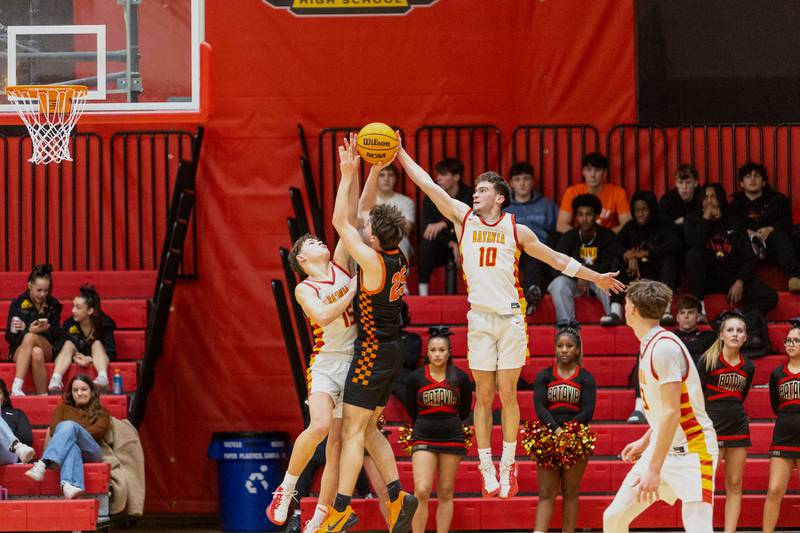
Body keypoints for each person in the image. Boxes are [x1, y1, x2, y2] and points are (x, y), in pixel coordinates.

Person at [397, 134, 623, 499]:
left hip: (511, 318)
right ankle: (486, 465)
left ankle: (508, 463)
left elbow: (556, 259)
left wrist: (595, 276)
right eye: (476, 189)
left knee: (507, 393)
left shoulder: (517, 228)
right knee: (484, 396)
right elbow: (427, 185)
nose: (475, 193)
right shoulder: (463, 217)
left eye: (482, 190)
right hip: (480, 320)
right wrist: (402, 154)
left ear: (499, 197)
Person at [267, 153, 383, 530]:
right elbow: (322, 316)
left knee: (337, 446)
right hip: (326, 362)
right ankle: (286, 488)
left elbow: (352, 216)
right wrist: (352, 289)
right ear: (302, 257)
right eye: (314, 240)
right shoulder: (305, 287)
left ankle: (319, 518)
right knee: (317, 428)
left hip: (355, 359)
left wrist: (359, 173)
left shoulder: (338, 262)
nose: (322, 241)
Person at [318, 135, 417, 533]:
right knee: (372, 428)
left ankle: (340, 508)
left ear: (374, 239)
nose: (365, 227)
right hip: (391, 352)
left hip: (372, 353)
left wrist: (346, 174)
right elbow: (363, 213)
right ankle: (397, 496)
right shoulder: (398, 255)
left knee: (355, 431)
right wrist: (374, 166)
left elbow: (342, 222)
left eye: (369, 229)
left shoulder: (373, 263)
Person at [603, 280, 718, 533]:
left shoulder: (664, 348)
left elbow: (672, 412)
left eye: (626, 303)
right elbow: (665, 410)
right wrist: (646, 439)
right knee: (614, 518)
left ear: (631, 310)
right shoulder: (650, 342)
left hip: (693, 449)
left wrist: (653, 469)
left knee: (698, 527)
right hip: (662, 445)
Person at [684, 183, 778, 347]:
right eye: (705, 197)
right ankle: (699, 309)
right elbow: (695, 245)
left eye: (713, 196)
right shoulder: (692, 219)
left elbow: (750, 258)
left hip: (732, 276)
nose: (709, 201)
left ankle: (735, 318)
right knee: (693, 255)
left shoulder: (735, 222)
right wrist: (706, 218)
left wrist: (740, 281)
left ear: (721, 200)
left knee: (770, 297)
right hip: (708, 276)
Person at [405, 330, 471, 533]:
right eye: (433, 350)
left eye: (441, 350)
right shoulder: (416, 377)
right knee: (422, 490)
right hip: (423, 435)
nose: (437, 354)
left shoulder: (460, 377)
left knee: (445, 491)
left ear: (449, 352)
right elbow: (411, 409)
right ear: (427, 352)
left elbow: (465, 409)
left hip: (452, 437)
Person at [533, 327, 596, 533]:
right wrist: (556, 430)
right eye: (560, 346)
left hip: (575, 437)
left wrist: (568, 432)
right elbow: (540, 407)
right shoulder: (544, 376)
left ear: (577, 349)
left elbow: (588, 410)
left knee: (570, 491)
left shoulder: (585, 377)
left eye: (569, 346)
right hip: (548, 436)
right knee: (546, 492)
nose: (564, 350)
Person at [696, 311, 754, 533]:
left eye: (740, 331)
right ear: (721, 335)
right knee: (706, 486)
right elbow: (697, 396)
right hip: (711, 429)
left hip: (738, 428)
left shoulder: (748, 366)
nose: (735, 334)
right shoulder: (707, 361)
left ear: (745, 337)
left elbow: (741, 397)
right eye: (730, 330)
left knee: (735, 484)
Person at [626, 294, 717, 424]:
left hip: (694, 380)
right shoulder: (669, 335)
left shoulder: (708, 336)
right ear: (677, 317)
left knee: (700, 360)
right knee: (644, 354)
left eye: (690, 313)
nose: (686, 316)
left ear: (698, 316)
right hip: (667, 377)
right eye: (682, 313)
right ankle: (639, 408)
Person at [25, 375, 107, 499]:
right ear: (71, 393)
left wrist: (73, 430)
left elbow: (98, 431)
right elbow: (54, 430)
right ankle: (68, 486)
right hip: (69, 450)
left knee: (69, 426)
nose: (79, 393)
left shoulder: (101, 411)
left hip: (91, 450)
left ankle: (44, 462)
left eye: (84, 389)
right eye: (75, 390)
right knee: (73, 446)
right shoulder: (62, 409)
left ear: (92, 391)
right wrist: (70, 436)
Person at [549, 194, 625, 327]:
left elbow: (612, 265)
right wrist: (578, 274)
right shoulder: (569, 237)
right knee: (558, 284)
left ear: (596, 216)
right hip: (574, 281)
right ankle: (566, 324)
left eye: (588, 214)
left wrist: (586, 274)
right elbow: (556, 265)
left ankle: (613, 319)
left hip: (598, 280)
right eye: (580, 214)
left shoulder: (607, 236)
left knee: (608, 282)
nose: (584, 219)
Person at [728, 162, 800, 293]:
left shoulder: (777, 200)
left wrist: (771, 228)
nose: (753, 179)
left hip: (773, 246)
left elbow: (788, 222)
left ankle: (793, 277)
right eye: (748, 177)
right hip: (746, 248)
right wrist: (745, 231)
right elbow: (727, 226)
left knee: (782, 233)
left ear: (764, 182)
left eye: (757, 176)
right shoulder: (734, 205)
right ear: (742, 183)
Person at [503, 161, 558, 312]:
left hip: (540, 252)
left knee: (534, 250)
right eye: (517, 179)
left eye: (526, 179)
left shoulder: (547, 205)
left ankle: (532, 294)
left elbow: (558, 232)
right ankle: (529, 295)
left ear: (533, 181)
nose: (522, 183)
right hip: (511, 251)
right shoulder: (504, 208)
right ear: (511, 183)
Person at [762, 320, 800, 533]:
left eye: (796, 340)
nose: (791, 344)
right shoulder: (777, 374)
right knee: (774, 489)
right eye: (788, 340)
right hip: (783, 436)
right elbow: (776, 406)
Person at [417, 157, 472, 296]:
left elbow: (471, 222)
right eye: (438, 174)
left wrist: (444, 224)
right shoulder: (431, 196)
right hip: (442, 245)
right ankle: (423, 293)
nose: (438, 178)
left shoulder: (469, 195)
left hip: (466, 244)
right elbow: (428, 229)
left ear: (456, 177)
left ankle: (476, 294)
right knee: (426, 242)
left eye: (443, 174)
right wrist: (451, 243)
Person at [5, 264, 63, 396]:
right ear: (30, 285)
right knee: (35, 352)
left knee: (32, 339)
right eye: (39, 290)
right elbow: (9, 337)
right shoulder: (18, 303)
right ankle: (43, 396)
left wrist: (43, 330)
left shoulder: (53, 305)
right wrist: (28, 330)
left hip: (47, 347)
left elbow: (57, 335)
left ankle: (17, 386)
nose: (43, 294)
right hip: (19, 350)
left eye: (46, 290)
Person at [48, 285, 117, 393]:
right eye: (73, 306)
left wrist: (89, 359)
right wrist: (75, 358)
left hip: (98, 359)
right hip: (75, 357)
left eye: (78, 307)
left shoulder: (104, 323)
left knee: (97, 343)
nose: (73, 310)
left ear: (90, 310)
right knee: (68, 344)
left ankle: (103, 377)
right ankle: (56, 378)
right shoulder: (69, 324)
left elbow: (111, 353)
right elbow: (58, 352)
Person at [617, 191, 681, 296]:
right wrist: (628, 254)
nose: (640, 214)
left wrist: (647, 253)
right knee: (617, 259)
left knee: (669, 258)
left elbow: (675, 244)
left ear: (652, 209)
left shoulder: (663, 224)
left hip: (659, 272)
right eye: (636, 210)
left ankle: (666, 307)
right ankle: (616, 308)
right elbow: (613, 244)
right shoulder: (631, 226)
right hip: (636, 273)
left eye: (644, 209)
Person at [556, 152, 631, 234]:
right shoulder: (572, 191)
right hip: (578, 242)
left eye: (597, 170)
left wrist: (603, 238)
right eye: (588, 169)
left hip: (608, 241)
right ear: (583, 172)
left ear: (604, 173)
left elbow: (627, 225)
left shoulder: (618, 192)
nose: (592, 174)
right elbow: (561, 225)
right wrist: (581, 237)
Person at [376, 164, 415, 261]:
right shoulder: (364, 201)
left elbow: (406, 229)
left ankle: (398, 274)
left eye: (390, 175)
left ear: (396, 179)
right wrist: (395, 221)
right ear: (375, 178)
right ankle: (358, 274)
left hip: (397, 241)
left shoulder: (406, 202)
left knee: (400, 237)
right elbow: (357, 224)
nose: (386, 179)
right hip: (370, 242)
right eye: (382, 175)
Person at [658, 164, 702, 238]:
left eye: (688, 182)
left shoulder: (704, 197)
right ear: (676, 184)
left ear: (695, 183)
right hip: (674, 240)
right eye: (680, 182)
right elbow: (661, 229)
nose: (684, 187)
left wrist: (686, 220)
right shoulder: (667, 201)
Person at [0, 378, 34, 464]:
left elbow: (27, 439)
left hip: (7, 453)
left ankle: (15, 446)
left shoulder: (17, 414)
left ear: (4, 397)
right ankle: (16, 446)